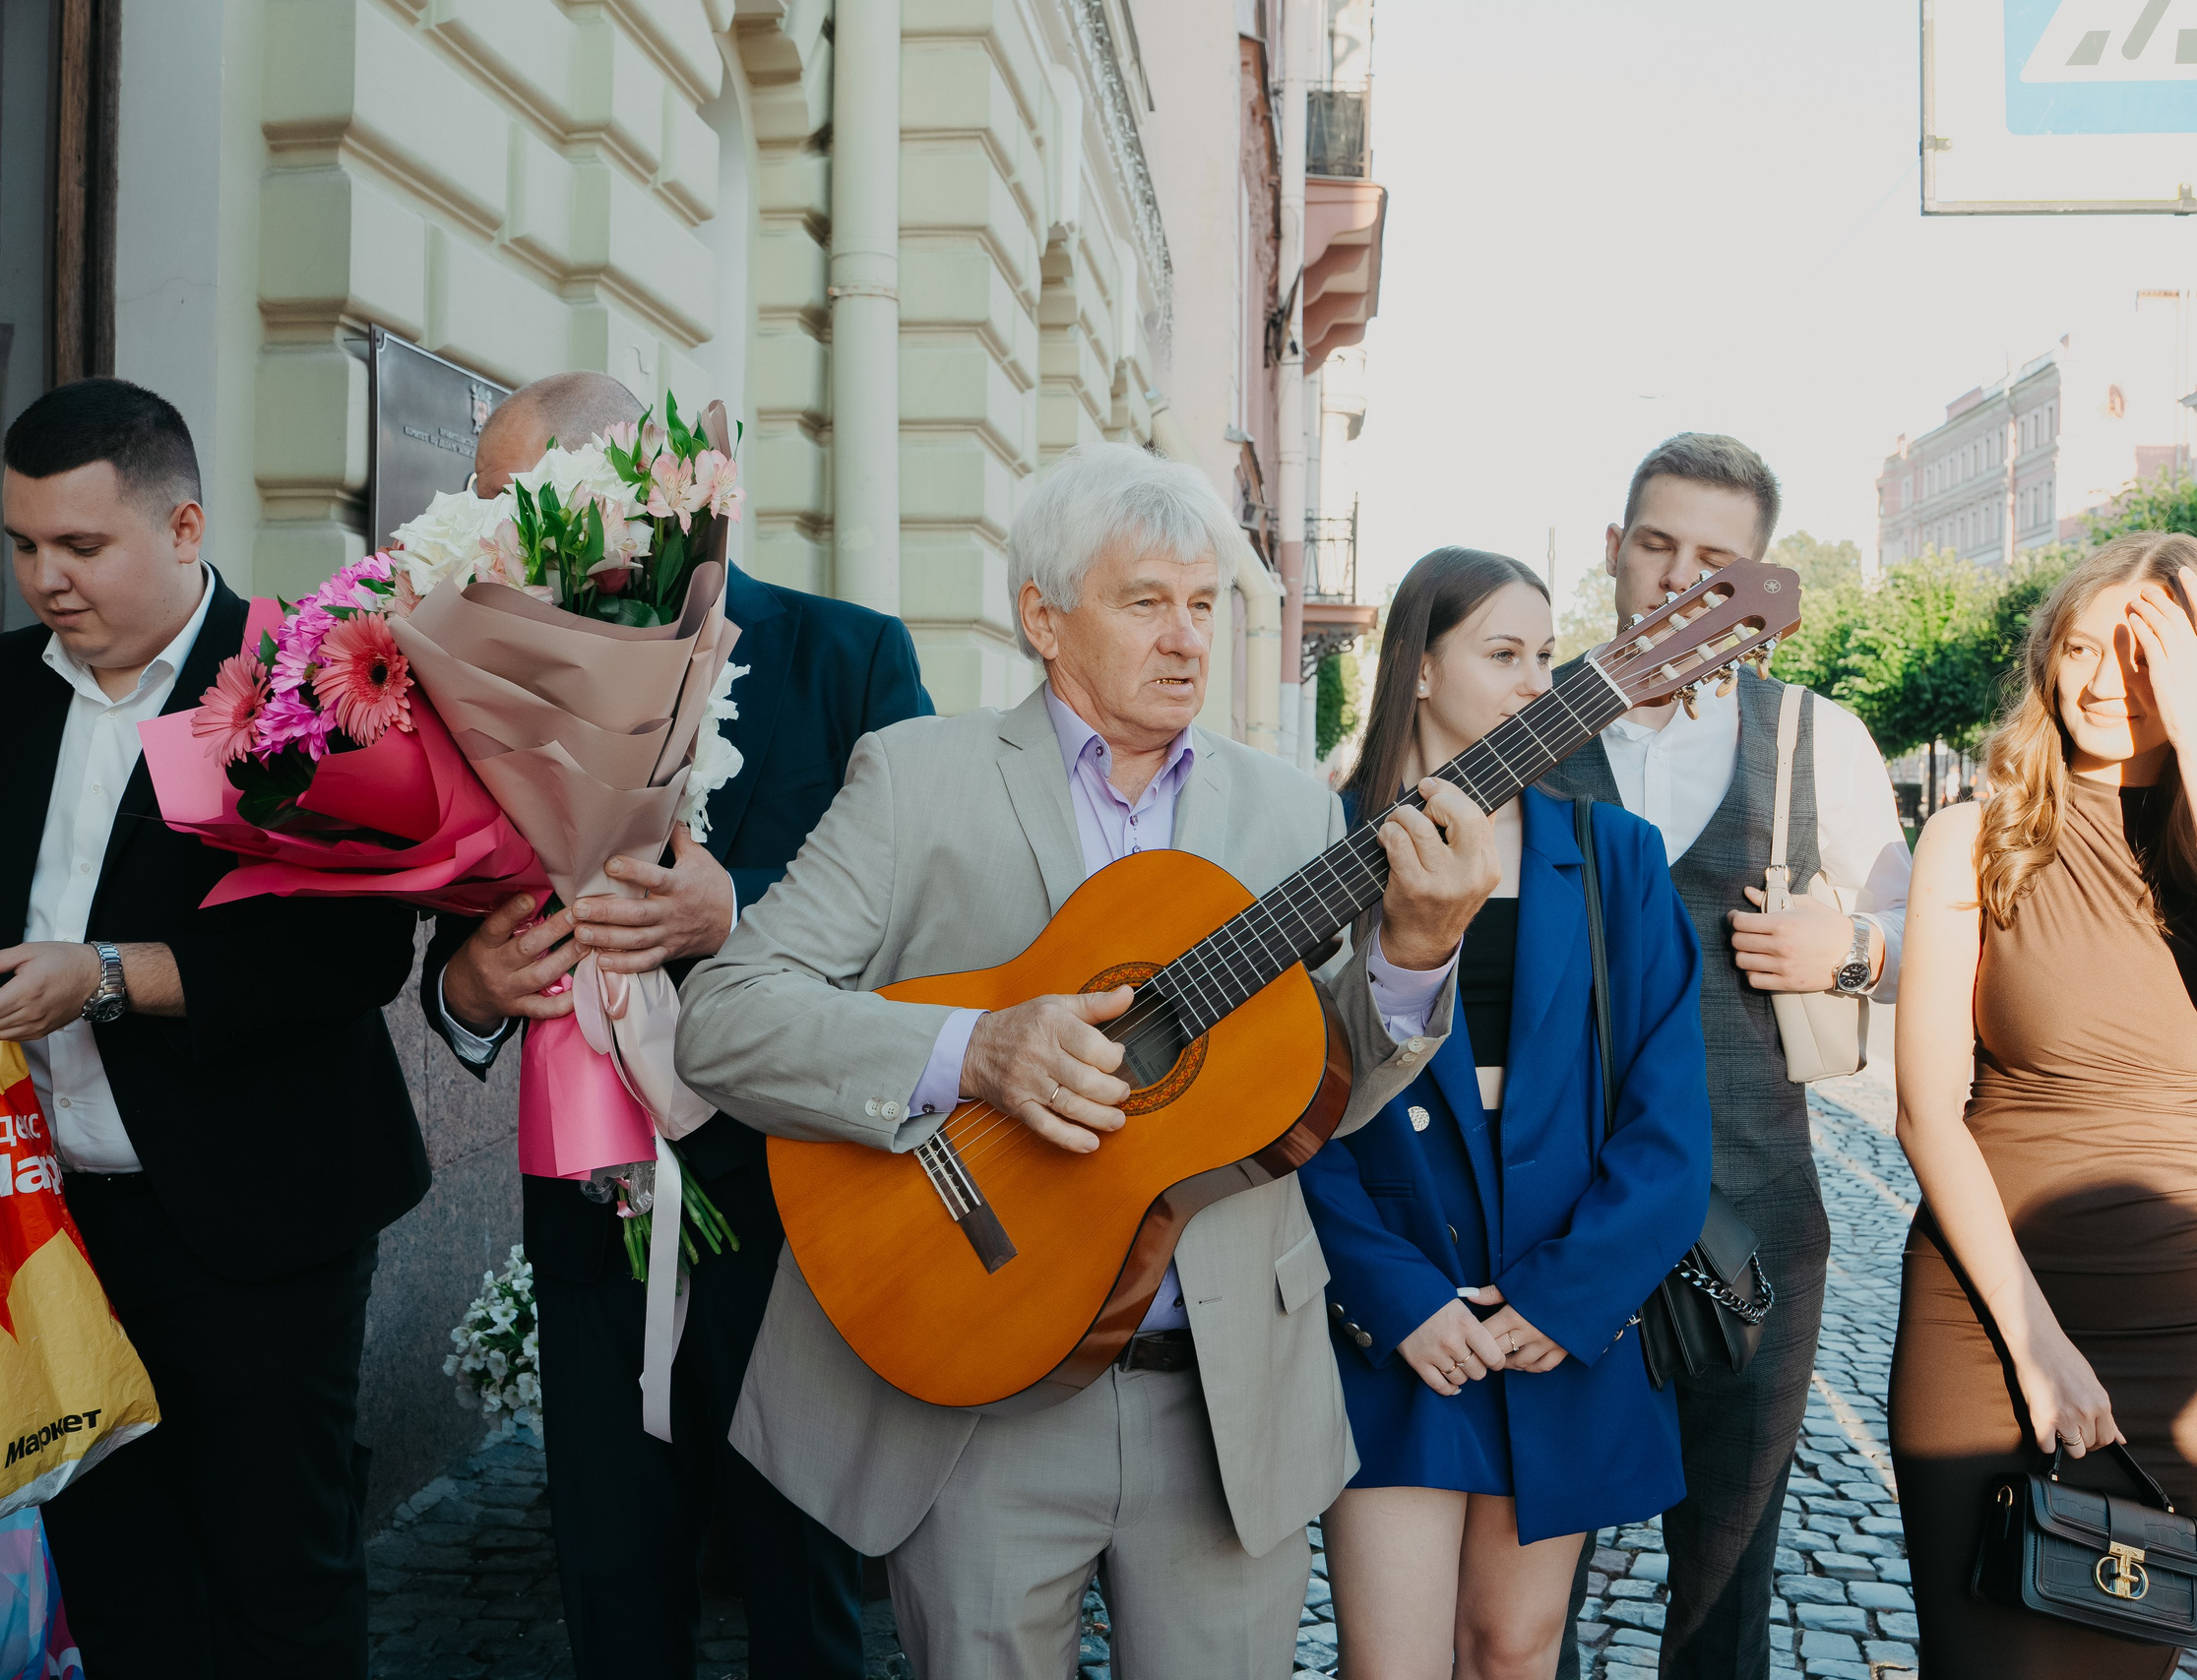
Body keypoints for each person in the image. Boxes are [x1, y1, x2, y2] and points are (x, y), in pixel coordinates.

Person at [673, 441, 1493, 1679]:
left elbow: (1323, 1089)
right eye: (1146, 600)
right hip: (976, 1375)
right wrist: (973, 1049)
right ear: (1043, 620)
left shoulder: (1288, 817)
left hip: (1221, 1390)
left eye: (1205, 604)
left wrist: (1412, 961)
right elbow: (725, 1016)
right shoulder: (916, 778)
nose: (1186, 641)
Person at [0, 379, 428, 1678]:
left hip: (262, 1214)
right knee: (121, 1586)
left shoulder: (300, 678)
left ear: (182, 527)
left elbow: (351, 953)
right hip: (43, 1221)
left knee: (277, 1582)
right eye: (24, 545)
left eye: (81, 545)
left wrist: (110, 977)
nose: (46, 578)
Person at [420, 370, 934, 1678]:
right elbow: (451, 955)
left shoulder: (849, 655)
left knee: (800, 1592)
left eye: (505, 504)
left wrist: (740, 909)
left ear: (621, 498)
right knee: (612, 1585)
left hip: (796, 1208)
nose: (479, 537)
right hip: (590, 1225)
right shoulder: (480, 677)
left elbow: (938, 921)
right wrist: (471, 985)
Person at [1887, 533, 2197, 1676]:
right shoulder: (1970, 840)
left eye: (2144, 661)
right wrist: (2035, 1345)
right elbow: (1926, 1112)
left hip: (2191, 1335)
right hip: (1984, 1319)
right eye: (2081, 648)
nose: (2099, 683)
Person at [1298, 547, 1713, 1680]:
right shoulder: (1317, 845)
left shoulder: (1614, 856)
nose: (1539, 681)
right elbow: (1283, 1115)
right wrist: (1394, 1297)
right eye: (1502, 655)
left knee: (1514, 1651)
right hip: (1396, 1320)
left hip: (1558, 1316)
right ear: (1419, 670)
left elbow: (1668, 1124)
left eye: (1545, 653)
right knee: (1392, 1664)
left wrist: (1566, 1299)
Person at [1541, 433, 1912, 1677]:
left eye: (1715, 558)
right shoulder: (1525, 731)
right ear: (1613, 550)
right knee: (1528, 1594)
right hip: (1549, 1225)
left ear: (1756, 577)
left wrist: (1848, 947)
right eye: (1656, 545)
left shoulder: (1813, 737)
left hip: (1752, 1217)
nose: (1678, 580)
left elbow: (1924, 942)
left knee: (1722, 1592)